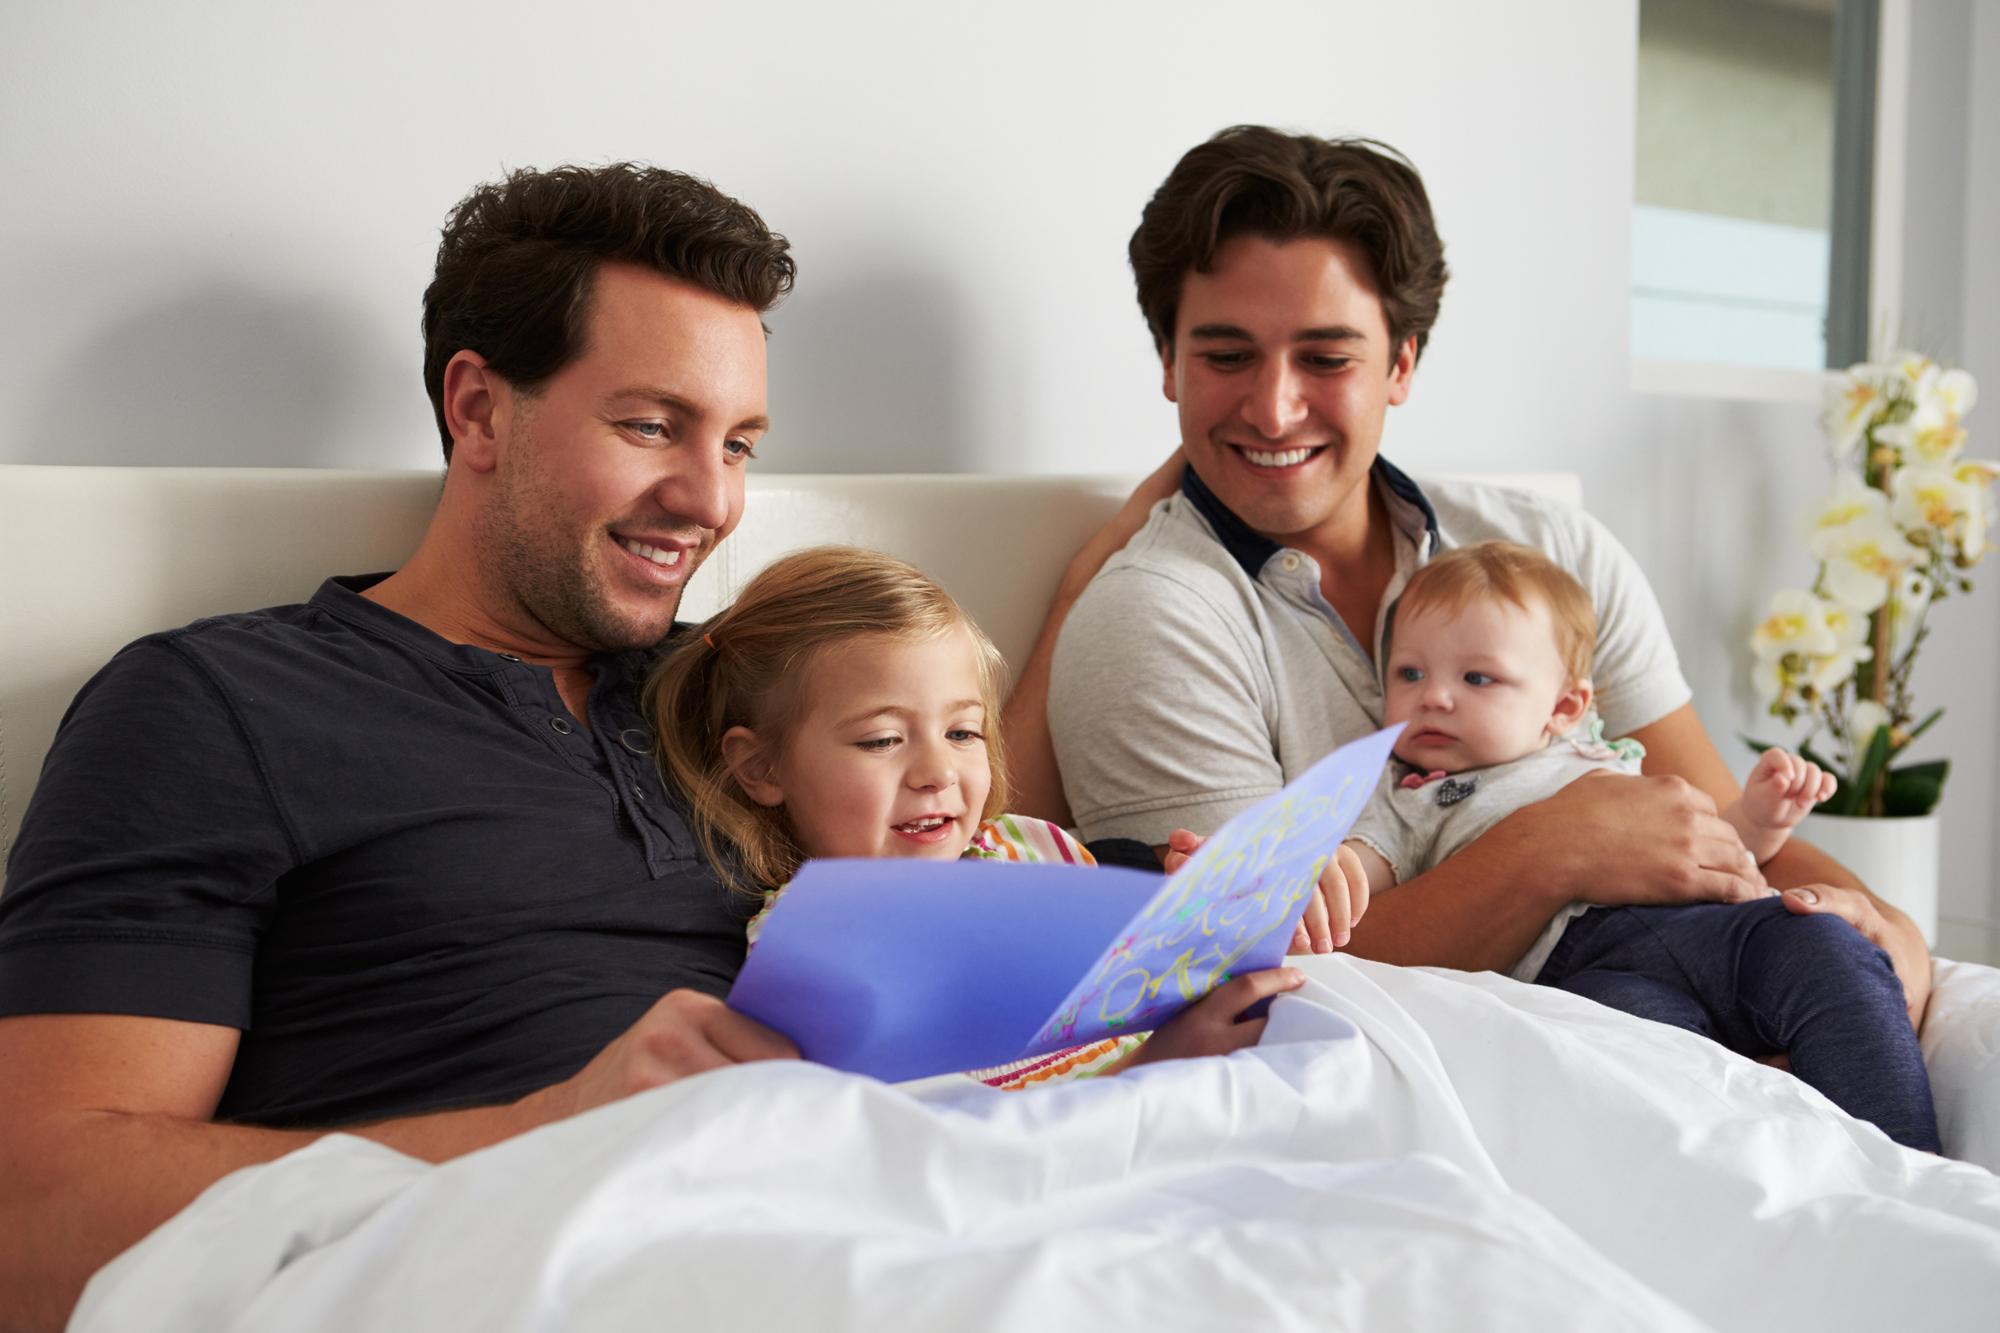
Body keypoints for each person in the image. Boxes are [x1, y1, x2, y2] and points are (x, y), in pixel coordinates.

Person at [0, 163, 812, 1330]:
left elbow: (979, 840)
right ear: (477, 409)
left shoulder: (756, 694)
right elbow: (32, 1223)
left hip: (852, 1217)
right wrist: (543, 1131)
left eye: (738, 445)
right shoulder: (219, 703)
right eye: (650, 426)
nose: (710, 500)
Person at [1002, 124, 1933, 1037]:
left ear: (1401, 364)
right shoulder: (1151, 615)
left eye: (1326, 358)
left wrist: (1885, 923)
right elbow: (1254, 983)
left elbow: (1708, 824)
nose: (1274, 408)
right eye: (1227, 354)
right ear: (1169, 362)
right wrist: (1557, 845)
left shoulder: (1551, 549)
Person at [645, 544, 1351, 1088]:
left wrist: (1216, 917)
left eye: (963, 732)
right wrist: (1148, 1070)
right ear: (762, 768)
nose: (937, 772)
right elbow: (926, 1135)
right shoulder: (817, 943)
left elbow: (1138, 996)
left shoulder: (1038, 849)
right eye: (882, 740)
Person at [1327, 540, 1938, 1151]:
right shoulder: (1404, 798)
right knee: (1621, 1062)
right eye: (1410, 673)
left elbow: (1714, 850)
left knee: (1823, 945)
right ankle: (1760, 1170)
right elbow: (1353, 880)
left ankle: (1904, 1158)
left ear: (1565, 706)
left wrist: (1758, 819)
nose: (1434, 697)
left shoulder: (1602, 757)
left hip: (1708, 927)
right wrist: (1323, 870)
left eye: (1477, 678)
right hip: (1583, 972)